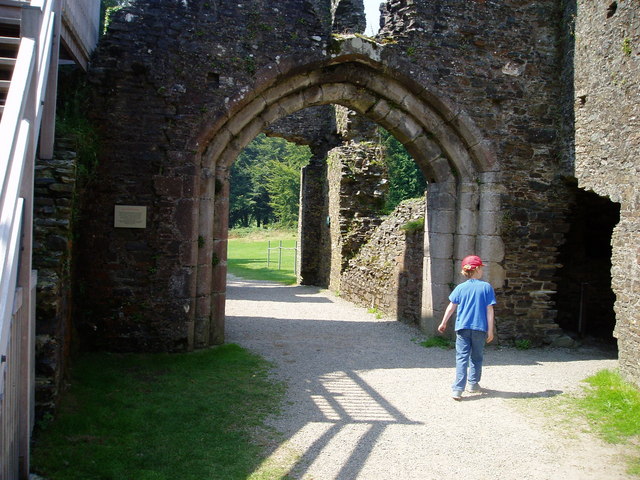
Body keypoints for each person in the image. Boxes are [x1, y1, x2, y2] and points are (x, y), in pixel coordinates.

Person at [438, 255, 496, 400]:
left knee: (461, 358)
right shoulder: (486, 287)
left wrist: (443, 322)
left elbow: (451, 307)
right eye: (481, 268)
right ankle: (473, 384)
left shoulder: (460, 288)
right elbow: (490, 310)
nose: (482, 271)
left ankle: (457, 389)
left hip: (462, 328)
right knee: (476, 357)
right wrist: (490, 330)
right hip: (480, 328)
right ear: (477, 270)